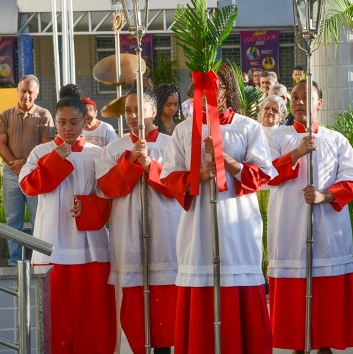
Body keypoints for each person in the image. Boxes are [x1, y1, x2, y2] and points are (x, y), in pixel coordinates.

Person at [160, 65, 276, 354]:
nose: (208, 95)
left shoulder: (247, 128)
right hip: (197, 227)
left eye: (216, 88)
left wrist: (228, 161)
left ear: (229, 90)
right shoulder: (184, 130)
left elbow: (263, 174)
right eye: (201, 89)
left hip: (237, 226)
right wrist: (198, 175)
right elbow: (169, 178)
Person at [266, 80, 353, 353]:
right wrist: (297, 152)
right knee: (295, 300)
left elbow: (352, 179)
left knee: (325, 297)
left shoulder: (336, 139)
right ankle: (298, 344)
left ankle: (324, 344)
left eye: (305, 97)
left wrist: (325, 196)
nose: (298, 102)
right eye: (294, 97)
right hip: (289, 228)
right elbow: (266, 175)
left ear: (319, 103)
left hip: (328, 230)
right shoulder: (277, 137)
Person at [19, 94, 116, 353]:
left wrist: (88, 206)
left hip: (90, 248)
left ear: (84, 121)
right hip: (53, 246)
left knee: (92, 317)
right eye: (62, 123)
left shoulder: (98, 154)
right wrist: (55, 159)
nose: (67, 129)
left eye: (74, 122)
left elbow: (109, 195)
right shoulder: (41, 152)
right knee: (54, 319)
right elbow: (28, 186)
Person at [96, 87, 181, 354]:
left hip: (166, 229)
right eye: (128, 111)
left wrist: (150, 168)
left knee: (166, 300)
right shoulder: (114, 149)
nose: (132, 116)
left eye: (138, 110)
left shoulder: (171, 145)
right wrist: (131, 161)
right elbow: (108, 189)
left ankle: (165, 348)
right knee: (134, 302)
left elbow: (180, 187)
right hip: (129, 231)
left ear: (153, 112)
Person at [0, 75, 54, 266]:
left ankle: (39, 260)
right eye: (23, 91)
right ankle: (15, 262)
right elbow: (1, 144)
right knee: (13, 219)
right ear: (17, 91)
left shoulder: (44, 115)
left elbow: (46, 145)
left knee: (39, 217)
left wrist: (26, 163)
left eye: (30, 92)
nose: (26, 96)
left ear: (37, 93)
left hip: (35, 172)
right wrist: (16, 164)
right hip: (12, 173)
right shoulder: (5, 115)